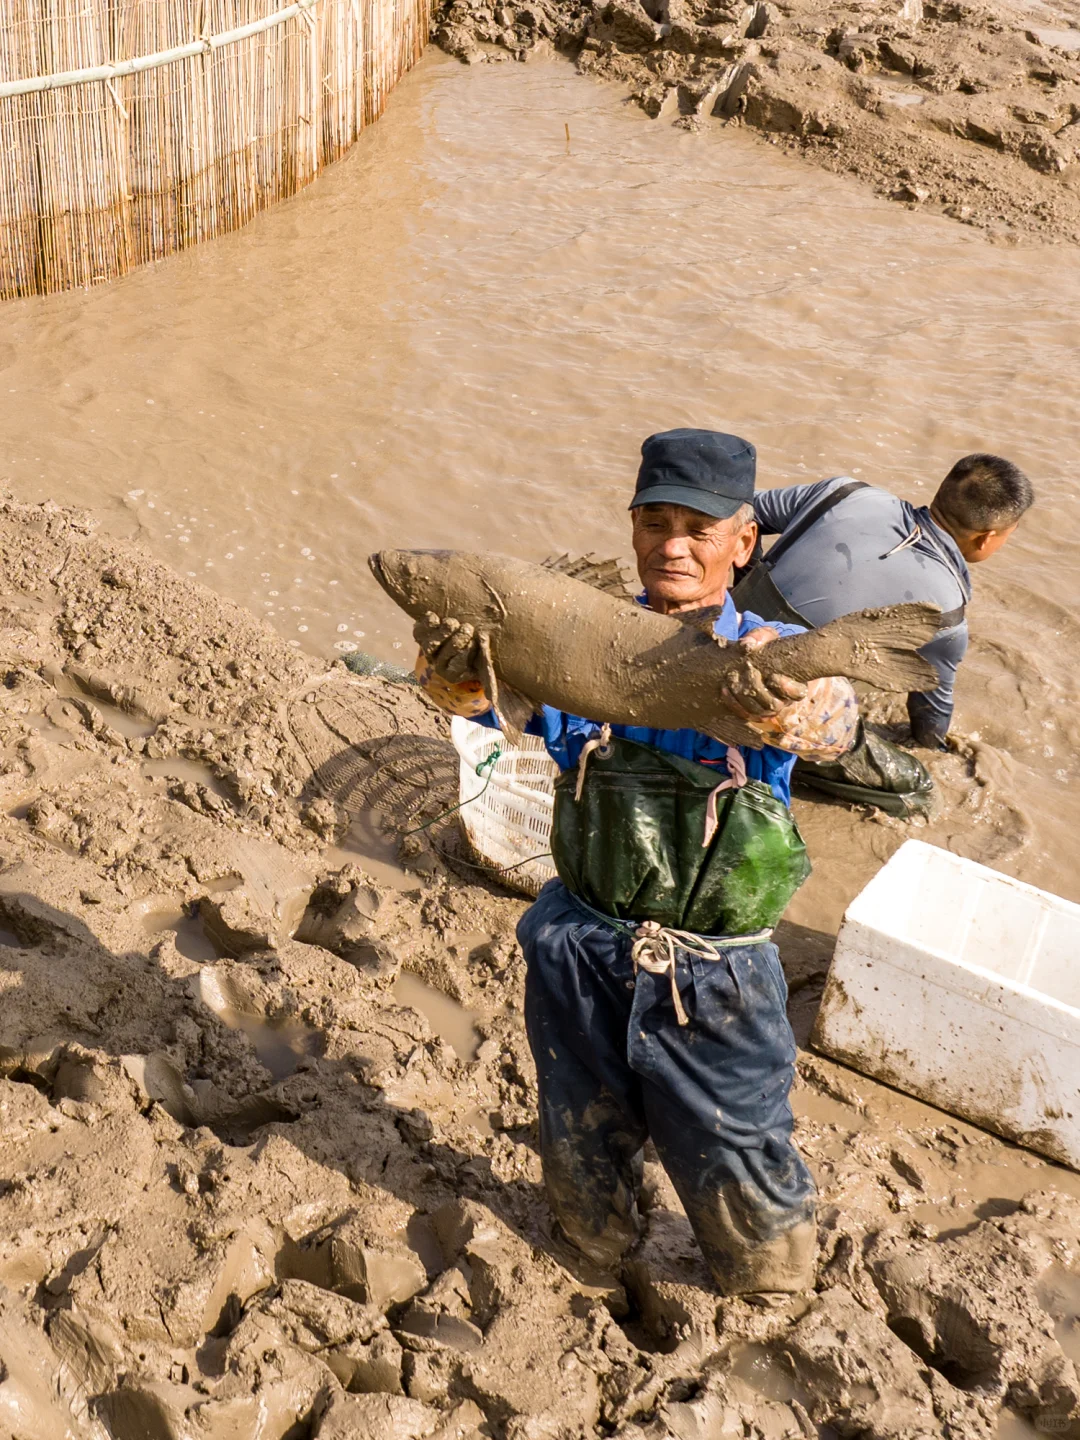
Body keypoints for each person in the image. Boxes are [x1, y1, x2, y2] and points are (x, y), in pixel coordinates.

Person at [414, 429, 859, 1295]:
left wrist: (800, 699)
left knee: (733, 1142)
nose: (675, 544)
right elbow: (479, 712)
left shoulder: (768, 650)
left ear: (743, 542)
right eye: (656, 521)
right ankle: (593, 1248)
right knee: (578, 1122)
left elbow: (837, 724)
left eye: (700, 526)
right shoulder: (578, 640)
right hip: (579, 942)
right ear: (631, 529)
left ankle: (767, 1286)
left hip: (713, 976)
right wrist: (451, 667)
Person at [732, 454, 1033, 811]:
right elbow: (929, 715)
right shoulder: (946, 615)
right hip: (771, 707)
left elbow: (737, 516)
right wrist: (934, 749)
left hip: (722, 636)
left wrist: (744, 573)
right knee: (919, 791)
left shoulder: (841, 493)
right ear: (986, 539)